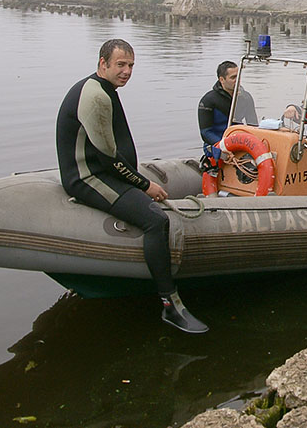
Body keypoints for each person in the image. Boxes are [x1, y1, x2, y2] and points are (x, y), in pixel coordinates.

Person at [56, 39, 207, 333]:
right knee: (155, 220)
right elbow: (109, 157)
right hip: (87, 178)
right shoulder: (96, 95)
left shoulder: (104, 89)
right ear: (103, 63)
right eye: (120, 65)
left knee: (149, 211)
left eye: (131, 66)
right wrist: (143, 184)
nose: (126, 71)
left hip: (103, 171)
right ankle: (170, 305)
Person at [198, 61, 257, 194]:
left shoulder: (246, 97)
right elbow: (205, 132)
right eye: (233, 77)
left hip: (238, 141)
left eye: (238, 76)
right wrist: (222, 147)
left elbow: (253, 125)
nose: (237, 80)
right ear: (222, 79)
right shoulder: (208, 100)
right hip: (215, 143)